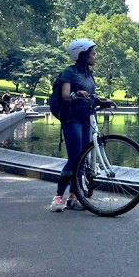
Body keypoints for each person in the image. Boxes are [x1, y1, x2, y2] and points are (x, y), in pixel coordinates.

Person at [50, 38, 97, 212]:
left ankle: (73, 197)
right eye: (92, 53)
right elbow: (65, 95)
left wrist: (101, 100)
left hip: (85, 118)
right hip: (71, 119)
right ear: (82, 55)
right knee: (74, 158)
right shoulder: (69, 72)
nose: (95, 56)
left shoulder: (87, 74)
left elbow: (91, 94)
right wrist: (76, 94)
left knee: (82, 159)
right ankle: (57, 198)